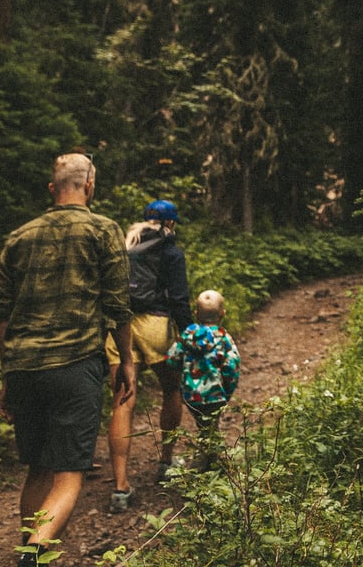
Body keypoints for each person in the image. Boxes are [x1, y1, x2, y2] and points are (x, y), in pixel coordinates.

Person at [0, 152, 134, 567]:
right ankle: (33, 554)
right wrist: (125, 359)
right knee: (69, 472)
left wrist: (7, 374)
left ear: (53, 188)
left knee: (37, 468)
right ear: (89, 186)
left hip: (23, 367)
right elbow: (117, 304)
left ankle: (30, 549)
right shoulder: (103, 230)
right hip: (75, 364)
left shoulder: (19, 237)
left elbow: (3, 314)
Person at [105, 199, 193, 512]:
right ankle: (166, 462)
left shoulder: (123, 247)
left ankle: (120, 486)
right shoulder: (171, 251)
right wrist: (191, 334)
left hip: (121, 328)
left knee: (122, 400)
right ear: (171, 223)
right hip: (157, 326)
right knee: (172, 390)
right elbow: (180, 300)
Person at [164, 289, 240, 471]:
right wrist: (227, 390)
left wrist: (183, 375)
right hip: (215, 395)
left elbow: (172, 359)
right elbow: (232, 367)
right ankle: (203, 468)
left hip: (191, 396)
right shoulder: (223, 338)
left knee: (205, 426)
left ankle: (212, 462)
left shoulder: (187, 336)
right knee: (210, 427)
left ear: (196, 314)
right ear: (223, 314)